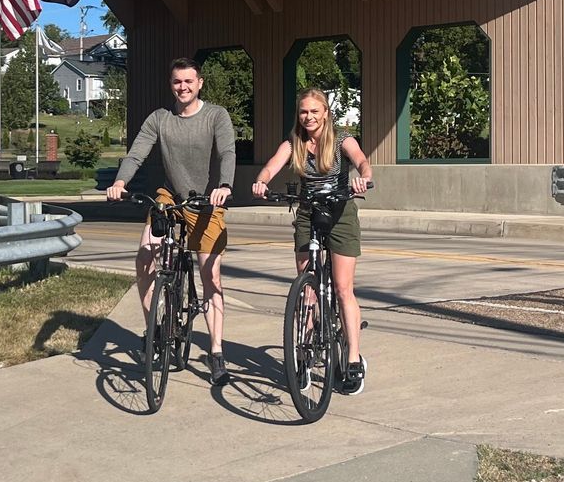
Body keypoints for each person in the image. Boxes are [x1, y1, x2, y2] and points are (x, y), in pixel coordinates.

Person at [105, 56, 237, 381]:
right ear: (171, 84)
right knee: (145, 257)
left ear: (199, 83)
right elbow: (137, 152)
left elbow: (228, 152)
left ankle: (217, 351)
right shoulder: (159, 119)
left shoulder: (215, 115)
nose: (183, 87)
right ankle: (157, 329)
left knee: (212, 277)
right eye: (177, 81)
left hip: (207, 202)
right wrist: (120, 181)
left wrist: (224, 185)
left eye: (189, 81)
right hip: (170, 198)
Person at [251, 89, 373, 393]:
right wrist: (262, 181)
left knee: (344, 289)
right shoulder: (294, 143)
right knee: (307, 288)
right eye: (304, 112)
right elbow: (271, 165)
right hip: (308, 213)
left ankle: (354, 359)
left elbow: (362, 161)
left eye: (315, 111)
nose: (309, 117)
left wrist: (363, 177)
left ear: (326, 113)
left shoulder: (342, 139)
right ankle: (303, 353)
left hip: (341, 212)